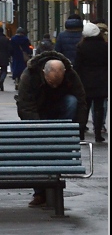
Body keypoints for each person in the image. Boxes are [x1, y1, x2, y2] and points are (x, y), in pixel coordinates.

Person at [16, 50, 89, 206]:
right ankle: (39, 193)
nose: (55, 86)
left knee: (72, 102)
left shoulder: (70, 74)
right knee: (39, 150)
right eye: (51, 82)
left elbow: (82, 101)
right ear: (44, 73)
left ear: (64, 73)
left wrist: (77, 130)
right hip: (38, 113)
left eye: (58, 83)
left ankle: (61, 137)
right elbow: (25, 106)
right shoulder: (29, 76)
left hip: (60, 110)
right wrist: (40, 131)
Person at [73, 21, 107, 143]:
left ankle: (81, 133)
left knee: (84, 107)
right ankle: (98, 133)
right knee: (99, 108)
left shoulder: (81, 47)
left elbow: (77, 66)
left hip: (85, 82)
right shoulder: (105, 46)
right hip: (101, 81)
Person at [0, 25, 12, 91]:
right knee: (4, 70)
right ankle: (1, 80)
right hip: (4, 57)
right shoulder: (6, 39)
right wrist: (9, 56)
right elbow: (9, 49)